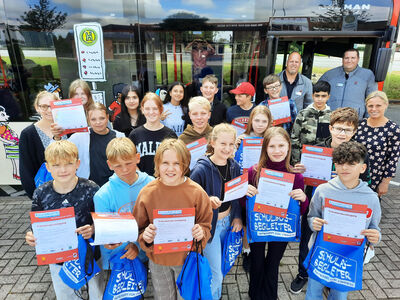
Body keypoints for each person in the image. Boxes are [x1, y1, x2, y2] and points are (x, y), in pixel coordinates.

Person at [290, 107, 373, 295]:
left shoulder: (359, 153)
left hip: (345, 209)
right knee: (308, 239)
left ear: (354, 131)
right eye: (338, 128)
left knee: (339, 241)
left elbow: (366, 181)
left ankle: (330, 275)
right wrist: (302, 171)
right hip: (317, 205)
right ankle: (304, 273)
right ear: (330, 128)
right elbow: (306, 181)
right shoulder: (316, 149)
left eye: (347, 129)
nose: (342, 133)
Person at [132, 138, 212, 300]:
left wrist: (201, 231)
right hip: (159, 261)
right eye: (165, 163)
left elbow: (206, 224)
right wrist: (145, 237)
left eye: (177, 163)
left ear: (186, 164)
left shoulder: (196, 192)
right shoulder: (147, 193)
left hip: (187, 260)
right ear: (157, 164)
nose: (171, 168)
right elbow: (138, 227)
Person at [25, 140, 104, 299]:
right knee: (65, 294)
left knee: (97, 292)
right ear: (47, 167)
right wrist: (32, 235)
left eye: (68, 163)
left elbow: (103, 219)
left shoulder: (91, 188)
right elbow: (37, 223)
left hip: (91, 254)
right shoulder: (41, 193)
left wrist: (94, 229)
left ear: (77, 164)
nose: (63, 170)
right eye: (56, 165)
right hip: (58, 257)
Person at [306, 141, 381, 300]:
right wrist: (313, 223)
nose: (344, 168)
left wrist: (376, 236)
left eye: (351, 164)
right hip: (322, 253)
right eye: (340, 163)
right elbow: (312, 216)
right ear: (335, 165)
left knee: (339, 296)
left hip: (348, 257)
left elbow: (375, 227)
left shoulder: (371, 198)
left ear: (362, 168)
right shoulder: (322, 190)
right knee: (313, 293)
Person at [246, 127, 308, 300]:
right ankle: (255, 294)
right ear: (265, 148)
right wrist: (246, 193)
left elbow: (300, 212)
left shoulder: (296, 177)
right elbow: (246, 205)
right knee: (257, 262)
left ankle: (269, 296)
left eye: (281, 145)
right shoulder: (254, 171)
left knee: (273, 263)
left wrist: (303, 199)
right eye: (272, 146)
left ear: (288, 147)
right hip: (259, 225)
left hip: (281, 226)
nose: (277, 151)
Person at [190, 124, 243, 299]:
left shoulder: (234, 166)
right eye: (223, 144)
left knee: (221, 266)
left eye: (231, 144)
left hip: (227, 223)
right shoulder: (201, 169)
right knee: (215, 274)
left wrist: (237, 217)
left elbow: (235, 196)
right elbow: (190, 200)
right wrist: (206, 200)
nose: (227, 149)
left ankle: (216, 295)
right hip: (209, 227)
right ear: (212, 142)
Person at [94, 137, 154, 269]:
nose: (125, 170)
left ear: (137, 158)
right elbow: (107, 233)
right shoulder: (103, 196)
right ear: (109, 165)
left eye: (128, 163)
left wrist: (139, 246)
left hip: (148, 253)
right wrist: (126, 247)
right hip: (119, 259)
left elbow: (156, 219)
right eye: (118, 166)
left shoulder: (152, 184)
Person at [234, 105, 272, 272]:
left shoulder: (272, 139)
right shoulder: (242, 138)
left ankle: (259, 250)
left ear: (269, 122)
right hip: (246, 183)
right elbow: (234, 162)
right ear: (251, 121)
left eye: (264, 121)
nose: (260, 124)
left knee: (261, 217)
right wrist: (235, 147)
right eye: (256, 120)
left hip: (266, 184)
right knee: (246, 219)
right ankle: (247, 250)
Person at [63, 103, 124, 187]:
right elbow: (61, 151)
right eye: (93, 119)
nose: (98, 122)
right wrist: (57, 137)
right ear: (88, 120)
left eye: (102, 118)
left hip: (114, 186)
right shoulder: (80, 137)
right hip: (88, 188)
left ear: (107, 117)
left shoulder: (119, 136)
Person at [354, 91, 400, 196]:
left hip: (375, 177)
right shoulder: (359, 125)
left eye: (378, 105)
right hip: (354, 174)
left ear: (386, 105)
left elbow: (393, 158)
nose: (374, 109)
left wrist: (385, 182)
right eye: (370, 106)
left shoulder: (393, 129)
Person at [19, 91, 59, 198]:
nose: (49, 110)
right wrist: (34, 195)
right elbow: (26, 169)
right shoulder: (28, 134)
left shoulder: (68, 129)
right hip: (45, 192)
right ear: (37, 108)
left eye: (52, 105)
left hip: (72, 189)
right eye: (45, 106)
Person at [319, 48, 377, 119]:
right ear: (342, 59)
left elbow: (372, 99)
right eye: (346, 58)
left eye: (353, 58)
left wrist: (369, 120)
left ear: (358, 59)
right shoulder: (330, 74)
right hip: (331, 118)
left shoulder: (367, 75)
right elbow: (317, 94)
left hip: (355, 120)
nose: (349, 61)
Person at [129, 92, 177, 176]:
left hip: (164, 183)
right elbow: (129, 161)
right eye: (147, 109)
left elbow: (176, 161)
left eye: (155, 108)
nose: (151, 112)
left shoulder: (170, 135)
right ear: (142, 110)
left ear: (161, 109)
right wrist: (142, 178)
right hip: (142, 183)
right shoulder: (135, 135)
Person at [291, 81, 332, 164]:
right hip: (303, 158)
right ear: (313, 96)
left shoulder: (331, 116)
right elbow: (294, 138)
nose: (320, 99)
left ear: (328, 97)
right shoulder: (303, 114)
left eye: (323, 96)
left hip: (323, 159)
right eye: (317, 96)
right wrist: (296, 160)